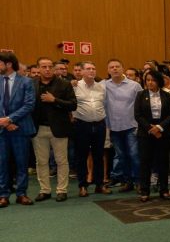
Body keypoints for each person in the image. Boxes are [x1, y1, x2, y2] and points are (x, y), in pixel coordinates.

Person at [32, 57, 76, 202]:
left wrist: (54, 100)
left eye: (50, 66)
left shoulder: (64, 84)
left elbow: (72, 105)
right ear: (38, 69)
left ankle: (61, 190)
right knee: (41, 161)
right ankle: (45, 190)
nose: (47, 69)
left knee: (61, 161)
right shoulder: (32, 85)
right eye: (43, 67)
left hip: (59, 128)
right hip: (38, 128)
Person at [0, 51, 36, 206]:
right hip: (2, 129)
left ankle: (21, 193)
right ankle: (3, 195)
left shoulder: (26, 82)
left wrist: (10, 119)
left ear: (8, 64)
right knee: (2, 164)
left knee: (22, 163)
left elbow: (29, 105)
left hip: (20, 129)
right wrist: (4, 122)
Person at [134, 70, 170, 202]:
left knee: (162, 161)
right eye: (148, 80)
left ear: (158, 81)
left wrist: (159, 127)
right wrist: (151, 128)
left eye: (153, 80)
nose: (150, 83)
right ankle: (145, 191)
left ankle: (164, 189)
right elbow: (137, 115)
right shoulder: (141, 95)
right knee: (145, 162)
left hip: (163, 131)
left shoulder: (166, 95)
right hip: (146, 132)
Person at [72, 61, 112, 197]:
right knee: (81, 156)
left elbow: (105, 104)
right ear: (81, 72)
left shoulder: (101, 87)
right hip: (82, 125)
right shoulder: (75, 86)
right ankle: (82, 185)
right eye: (88, 69)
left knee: (98, 156)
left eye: (94, 69)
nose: (92, 71)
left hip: (100, 124)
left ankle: (99, 184)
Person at [103, 59, 141, 193]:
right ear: (108, 70)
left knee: (134, 155)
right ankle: (127, 181)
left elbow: (141, 105)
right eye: (111, 67)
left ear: (122, 68)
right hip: (113, 127)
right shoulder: (103, 85)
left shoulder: (134, 86)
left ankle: (138, 182)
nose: (114, 69)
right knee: (122, 156)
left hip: (131, 126)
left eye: (117, 66)